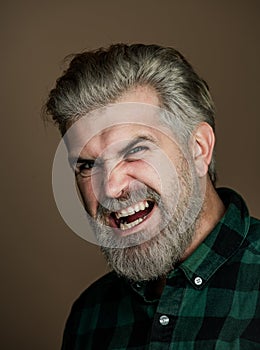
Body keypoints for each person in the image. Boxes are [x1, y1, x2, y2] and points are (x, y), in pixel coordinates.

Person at [45, 44, 259, 349]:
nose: (110, 189)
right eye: (88, 165)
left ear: (198, 148)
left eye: (134, 150)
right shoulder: (89, 316)